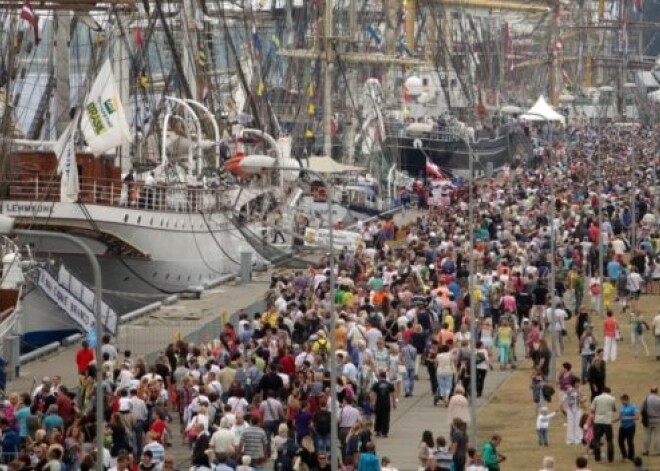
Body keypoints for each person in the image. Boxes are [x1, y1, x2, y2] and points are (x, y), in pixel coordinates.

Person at [591, 386, 617, 463]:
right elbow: (614, 409)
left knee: (597, 440)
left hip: (598, 421)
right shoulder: (612, 398)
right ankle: (610, 458)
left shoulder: (596, 398)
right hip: (607, 421)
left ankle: (597, 458)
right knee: (609, 440)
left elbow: (592, 409)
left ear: (602, 391)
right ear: (609, 392)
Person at [370, 371, 395, 438]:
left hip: (378, 404)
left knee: (378, 417)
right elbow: (393, 395)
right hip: (386, 404)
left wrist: (372, 403)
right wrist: (394, 403)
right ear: (385, 377)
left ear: (380, 377)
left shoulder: (377, 384)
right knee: (386, 418)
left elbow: (373, 394)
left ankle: (378, 431)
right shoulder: (389, 385)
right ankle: (385, 432)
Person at [616, 393, 640, 461]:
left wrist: (626, 418)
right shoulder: (622, 408)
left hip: (630, 427)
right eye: (621, 401)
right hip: (622, 427)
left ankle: (631, 457)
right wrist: (612, 421)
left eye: (623, 401)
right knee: (620, 441)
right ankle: (624, 456)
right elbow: (620, 417)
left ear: (627, 400)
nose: (622, 402)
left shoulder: (633, 407)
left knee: (629, 441)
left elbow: (637, 417)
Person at [640, 386, 660, 456]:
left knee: (647, 435)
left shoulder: (646, 398)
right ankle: (657, 450)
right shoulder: (659, 399)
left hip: (648, 419)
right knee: (657, 435)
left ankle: (646, 450)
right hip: (657, 419)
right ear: (657, 391)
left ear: (650, 391)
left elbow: (642, 408)